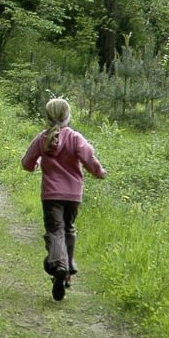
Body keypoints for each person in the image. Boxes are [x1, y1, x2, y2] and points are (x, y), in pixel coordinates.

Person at [21, 98, 106, 301]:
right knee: (68, 229)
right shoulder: (76, 138)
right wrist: (99, 172)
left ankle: (59, 264)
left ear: (47, 117)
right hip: (73, 196)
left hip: (51, 195)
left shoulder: (42, 139)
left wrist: (36, 165)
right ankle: (66, 271)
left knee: (55, 231)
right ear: (67, 116)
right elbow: (89, 159)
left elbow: (26, 163)